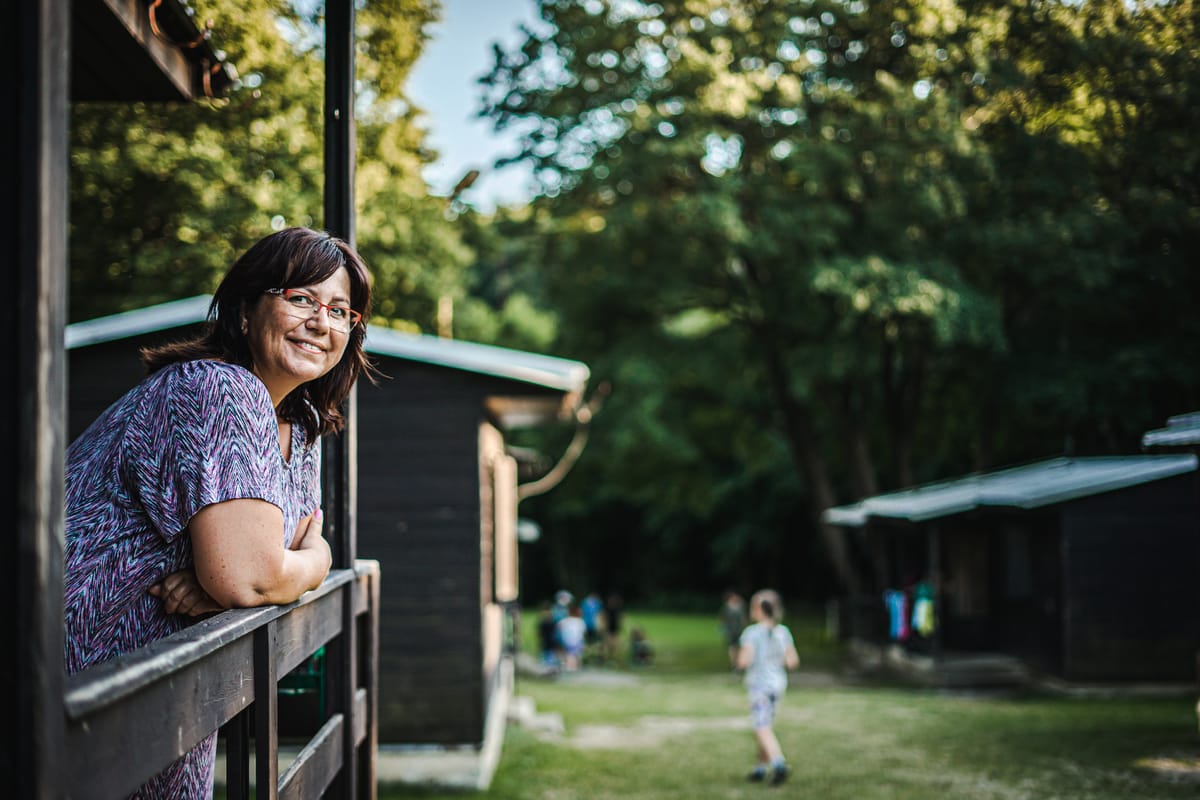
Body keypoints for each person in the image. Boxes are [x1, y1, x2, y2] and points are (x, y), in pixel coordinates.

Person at [63, 227, 373, 799]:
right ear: (245, 310)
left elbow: (260, 566)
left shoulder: (300, 424)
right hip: (82, 684)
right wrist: (316, 560)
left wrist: (249, 575)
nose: (321, 322)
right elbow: (256, 575)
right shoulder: (218, 388)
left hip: (162, 687)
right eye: (301, 299)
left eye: (339, 311)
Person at [737, 588, 800, 787]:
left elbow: (743, 661)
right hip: (778, 685)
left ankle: (778, 764)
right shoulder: (783, 632)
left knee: (761, 727)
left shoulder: (751, 633)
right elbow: (792, 662)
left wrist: (741, 659)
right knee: (766, 726)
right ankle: (760, 768)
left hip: (759, 686)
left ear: (758, 609)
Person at [718, 590, 747, 669]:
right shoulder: (727, 607)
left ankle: (739, 662)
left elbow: (743, 618)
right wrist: (723, 628)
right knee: (732, 647)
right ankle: (734, 663)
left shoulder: (740, 606)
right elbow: (723, 619)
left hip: (739, 629)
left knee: (739, 646)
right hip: (731, 630)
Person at [556, 602, 587, 671]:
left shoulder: (564, 621)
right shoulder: (580, 621)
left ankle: (569, 668)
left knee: (569, 656)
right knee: (576, 657)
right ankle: (575, 668)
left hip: (566, 642)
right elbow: (584, 633)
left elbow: (557, 628)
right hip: (577, 643)